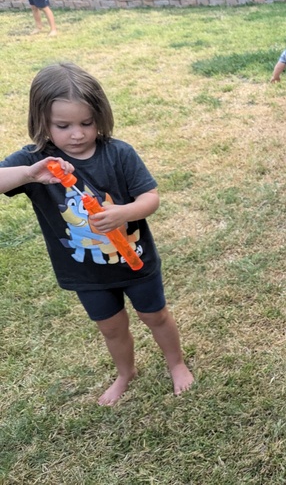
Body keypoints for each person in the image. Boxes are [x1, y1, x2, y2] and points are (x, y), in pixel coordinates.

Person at [0, 63, 194, 405]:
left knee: (155, 315)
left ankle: (176, 363)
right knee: (111, 327)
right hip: (85, 270)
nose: (77, 134)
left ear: (99, 116)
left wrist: (123, 213)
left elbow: (150, 198)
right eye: (63, 126)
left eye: (86, 123)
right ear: (41, 121)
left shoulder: (118, 153)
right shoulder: (35, 162)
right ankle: (125, 372)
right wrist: (29, 174)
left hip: (136, 261)